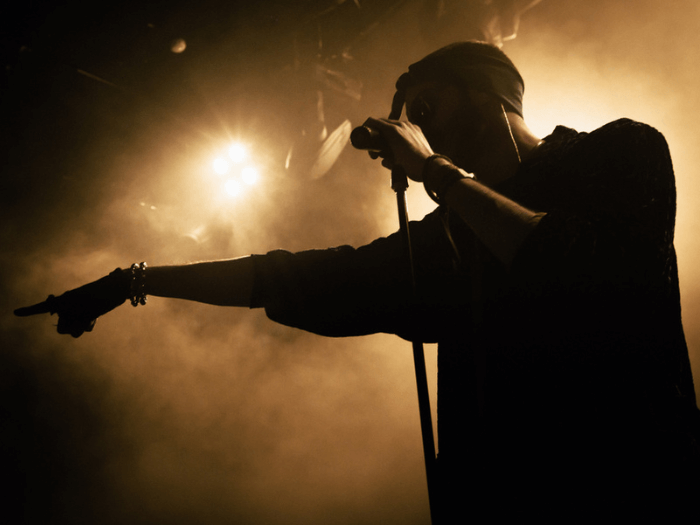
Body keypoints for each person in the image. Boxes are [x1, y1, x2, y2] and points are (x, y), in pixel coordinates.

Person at [15, 42, 700, 520]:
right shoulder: (449, 240)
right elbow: (303, 277)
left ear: (489, 96)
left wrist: (436, 173)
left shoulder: (619, 150)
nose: (408, 129)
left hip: (634, 486)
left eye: (423, 107)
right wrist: (136, 279)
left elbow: (581, 271)